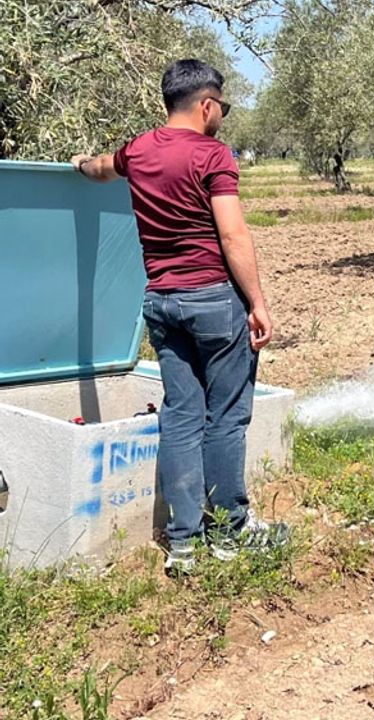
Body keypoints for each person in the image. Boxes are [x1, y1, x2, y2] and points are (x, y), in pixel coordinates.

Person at [72, 59, 288, 575]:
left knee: (182, 416)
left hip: (162, 303)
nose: (222, 118)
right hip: (213, 300)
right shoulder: (213, 155)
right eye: (223, 108)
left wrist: (79, 163)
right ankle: (230, 531)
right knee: (227, 417)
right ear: (207, 104)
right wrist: (257, 301)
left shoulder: (138, 149)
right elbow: (233, 235)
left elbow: (101, 167)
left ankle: (184, 541)